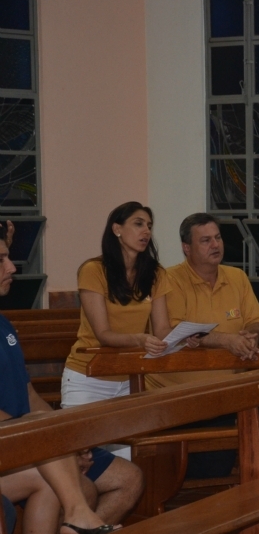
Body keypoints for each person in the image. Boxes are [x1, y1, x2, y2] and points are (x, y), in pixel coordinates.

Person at [0, 222, 117, 534]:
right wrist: (41, 439)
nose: (12, 267)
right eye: (3, 259)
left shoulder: (4, 325)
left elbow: (31, 395)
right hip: (12, 443)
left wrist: (65, 441)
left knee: (64, 476)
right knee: (53, 477)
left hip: (16, 443)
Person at [60, 202, 171, 494]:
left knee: (123, 468)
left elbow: (161, 330)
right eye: (138, 223)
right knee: (79, 466)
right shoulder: (93, 270)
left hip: (128, 380)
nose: (146, 230)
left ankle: (107, 531)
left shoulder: (155, 273)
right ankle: (75, 527)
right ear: (117, 229)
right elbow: (103, 334)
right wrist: (139, 339)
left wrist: (189, 336)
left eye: (149, 225)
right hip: (89, 378)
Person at [146, 213, 259, 479]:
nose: (216, 245)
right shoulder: (169, 279)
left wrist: (252, 337)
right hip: (176, 400)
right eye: (205, 240)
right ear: (186, 248)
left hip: (222, 397)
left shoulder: (236, 277)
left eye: (218, 238)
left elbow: (257, 322)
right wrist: (226, 340)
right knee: (176, 477)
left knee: (215, 475)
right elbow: (174, 330)